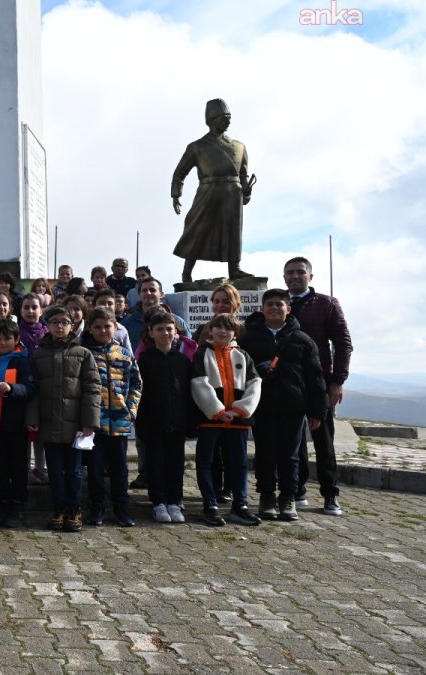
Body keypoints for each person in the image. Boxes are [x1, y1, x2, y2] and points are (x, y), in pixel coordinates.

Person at [238, 289, 327, 522]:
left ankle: (287, 497)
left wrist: (317, 410)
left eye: (280, 304)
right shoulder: (249, 339)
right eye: (270, 305)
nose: (275, 308)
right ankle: (266, 497)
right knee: (265, 453)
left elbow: (315, 378)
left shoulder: (303, 340)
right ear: (262, 309)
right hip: (262, 407)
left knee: (291, 456)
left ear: (288, 309)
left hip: (293, 407)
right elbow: (240, 375)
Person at [284, 256, 351, 516]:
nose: (295, 276)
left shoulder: (326, 304)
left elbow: (343, 344)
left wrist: (338, 381)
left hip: (320, 382)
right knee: (293, 440)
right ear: (284, 277)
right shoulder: (279, 303)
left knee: (324, 440)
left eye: (300, 272)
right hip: (288, 383)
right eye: (290, 272)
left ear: (310, 277)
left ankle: (330, 495)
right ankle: (298, 490)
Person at [26, 305, 100, 533]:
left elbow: (92, 388)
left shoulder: (83, 354)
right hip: (48, 424)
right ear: (47, 326)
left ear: (72, 326)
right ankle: (58, 509)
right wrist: (32, 417)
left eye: (64, 322)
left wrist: (89, 421)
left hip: (76, 426)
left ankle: (74, 510)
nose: (59, 326)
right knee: (55, 472)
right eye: (55, 322)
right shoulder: (38, 355)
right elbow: (33, 390)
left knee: (75, 471)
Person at [172, 98, 255, 282]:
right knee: (197, 228)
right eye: (224, 117)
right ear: (212, 119)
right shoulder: (197, 146)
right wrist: (176, 195)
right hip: (208, 190)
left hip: (233, 192)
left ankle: (235, 268)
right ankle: (187, 272)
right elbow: (180, 173)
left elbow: (243, 173)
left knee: (233, 230)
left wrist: (246, 191)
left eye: (229, 117)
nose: (228, 121)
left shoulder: (239, 146)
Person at [190, 313, 261, 527]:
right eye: (218, 327)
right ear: (210, 330)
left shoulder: (243, 355)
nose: (223, 331)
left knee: (239, 464)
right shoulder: (201, 353)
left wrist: (240, 410)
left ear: (234, 333)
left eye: (228, 328)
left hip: (237, 421)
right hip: (210, 419)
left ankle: (240, 506)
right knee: (206, 462)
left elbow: (255, 383)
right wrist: (218, 411)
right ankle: (210, 505)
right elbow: (199, 383)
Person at [81, 308, 142, 528]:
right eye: (97, 326)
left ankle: (121, 509)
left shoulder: (125, 354)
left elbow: (136, 383)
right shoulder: (84, 353)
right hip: (94, 424)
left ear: (115, 327)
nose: (102, 330)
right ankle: (97, 508)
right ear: (90, 328)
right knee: (95, 470)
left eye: (107, 326)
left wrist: (130, 410)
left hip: (119, 422)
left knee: (120, 470)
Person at [135, 311, 193, 524]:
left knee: (176, 464)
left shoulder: (183, 360)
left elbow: (188, 393)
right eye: (159, 329)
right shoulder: (144, 361)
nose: (165, 333)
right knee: (156, 463)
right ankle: (158, 502)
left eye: (169, 329)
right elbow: (140, 394)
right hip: (153, 423)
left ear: (175, 331)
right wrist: (141, 422)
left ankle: (174, 501)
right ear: (151, 332)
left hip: (177, 422)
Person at [0, 319, 35, 529]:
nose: (3, 342)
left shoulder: (22, 362)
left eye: (7, 338)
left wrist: (12, 389)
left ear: (16, 340)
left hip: (16, 426)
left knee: (18, 468)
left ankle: (18, 507)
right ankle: (3, 504)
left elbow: (30, 389)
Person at [16, 292, 48, 485]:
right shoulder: (16, 332)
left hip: (44, 385)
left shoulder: (47, 332)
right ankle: (26, 468)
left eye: (34, 307)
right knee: (25, 429)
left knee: (41, 430)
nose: (30, 311)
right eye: (26, 307)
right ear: (20, 310)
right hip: (23, 386)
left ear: (41, 310)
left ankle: (40, 467)